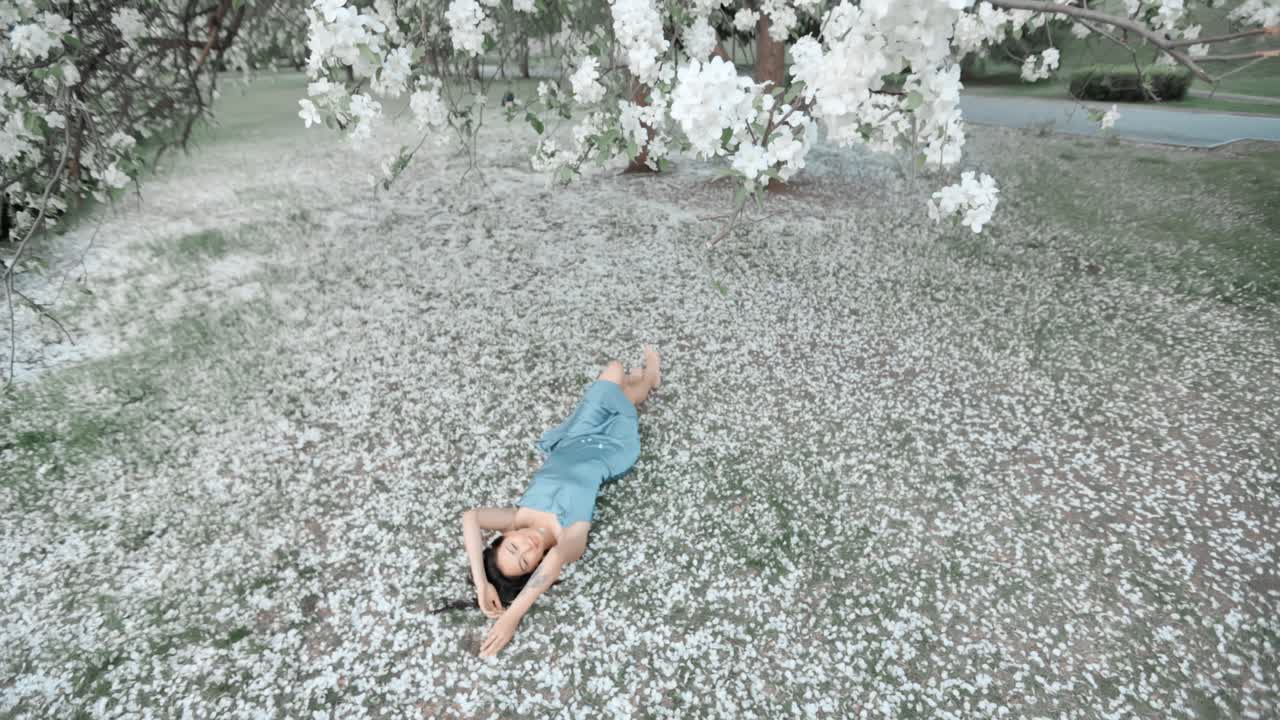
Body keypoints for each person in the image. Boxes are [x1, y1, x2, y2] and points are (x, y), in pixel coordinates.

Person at [458, 346, 662, 657]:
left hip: (575, 437)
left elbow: (470, 516)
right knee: (622, 395)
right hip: (610, 449)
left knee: (614, 369)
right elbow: (553, 563)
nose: (526, 546)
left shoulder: (517, 519)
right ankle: (647, 381)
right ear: (538, 566)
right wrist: (512, 617)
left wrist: (480, 583)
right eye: (526, 560)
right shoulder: (570, 540)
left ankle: (631, 388)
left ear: (504, 537)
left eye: (513, 547)